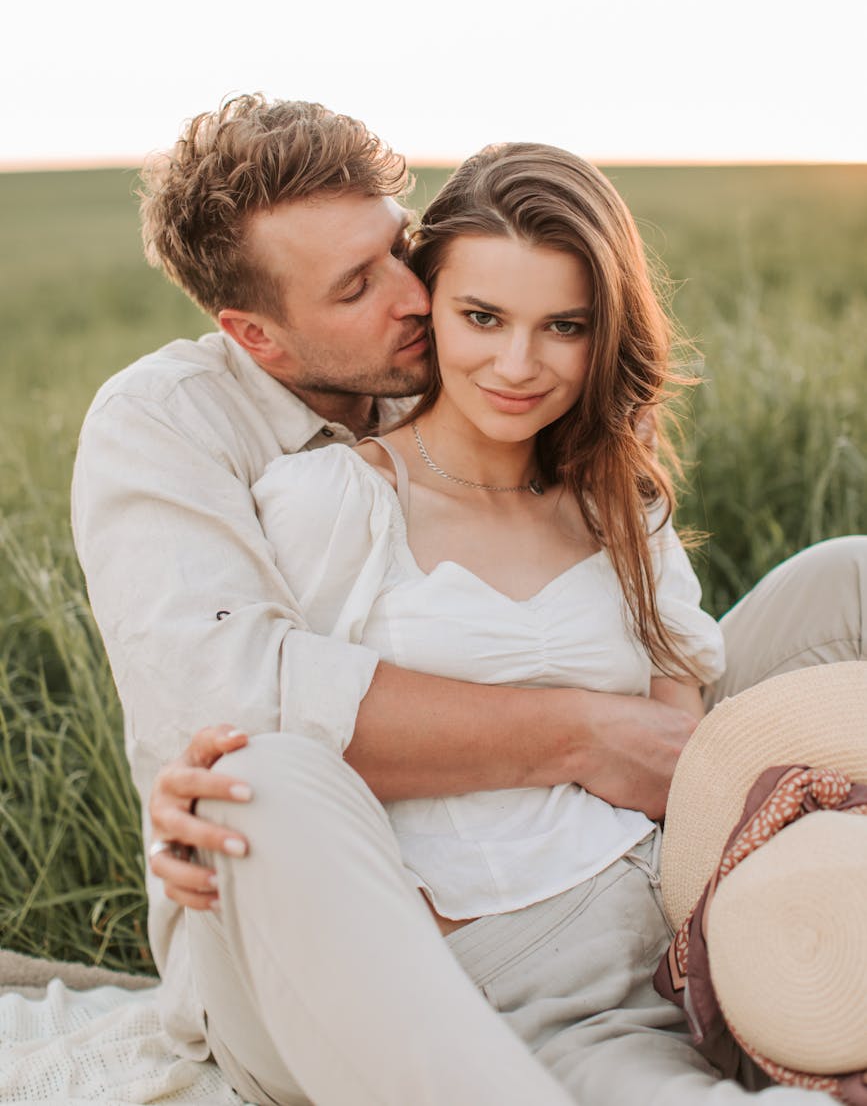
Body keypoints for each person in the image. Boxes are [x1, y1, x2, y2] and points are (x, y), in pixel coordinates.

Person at [72, 96, 866, 1105]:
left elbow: (663, 646)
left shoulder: (461, 366)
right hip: (325, 911)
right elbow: (237, 706)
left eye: (401, 250)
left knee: (850, 581)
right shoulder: (169, 428)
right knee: (258, 779)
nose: (414, 296)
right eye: (359, 285)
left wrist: (685, 766)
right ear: (257, 335)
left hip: (616, 868)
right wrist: (588, 735)